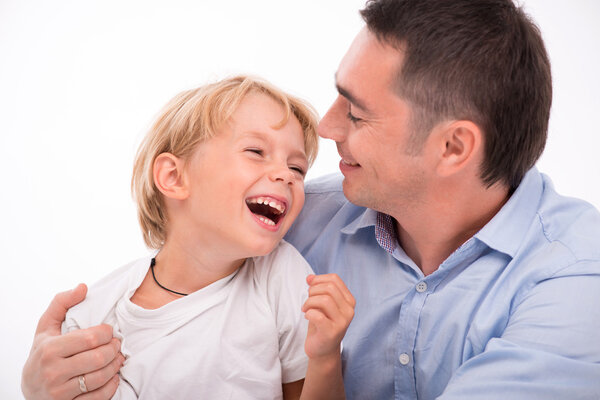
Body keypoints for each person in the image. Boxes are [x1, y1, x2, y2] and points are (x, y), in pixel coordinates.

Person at [22, 0, 600, 399]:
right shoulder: (290, 223)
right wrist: (49, 380)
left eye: (355, 110)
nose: (324, 129)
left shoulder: (575, 280)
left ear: (453, 146)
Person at [23, 75, 354, 399]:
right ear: (173, 177)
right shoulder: (93, 315)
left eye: (297, 168)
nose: (286, 175)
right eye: (255, 151)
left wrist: (324, 357)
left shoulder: (281, 275)